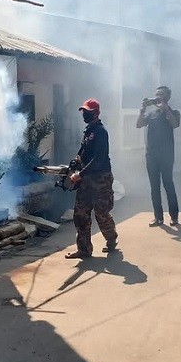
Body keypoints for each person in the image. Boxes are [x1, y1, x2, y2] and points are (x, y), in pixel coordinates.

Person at [65, 99, 119, 259]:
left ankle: (111, 238)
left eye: (87, 112)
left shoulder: (101, 132)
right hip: (86, 178)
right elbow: (85, 152)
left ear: (96, 113)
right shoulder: (89, 131)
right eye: (83, 112)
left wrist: (79, 175)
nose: (84, 115)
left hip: (101, 178)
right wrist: (78, 159)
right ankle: (84, 249)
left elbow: (98, 159)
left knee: (101, 213)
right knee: (80, 213)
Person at [136, 85, 180, 227]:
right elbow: (138, 124)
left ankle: (174, 216)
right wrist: (143, 109)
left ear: (168, 97)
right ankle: (158, 217)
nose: (157, 97)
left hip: (166, 155)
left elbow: (174, 124)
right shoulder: (151, 114)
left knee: (168, 184)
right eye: (156, 95)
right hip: (152, 155)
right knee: (154, 186)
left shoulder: (173, 112)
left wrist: (165, 109)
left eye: (160, 95)